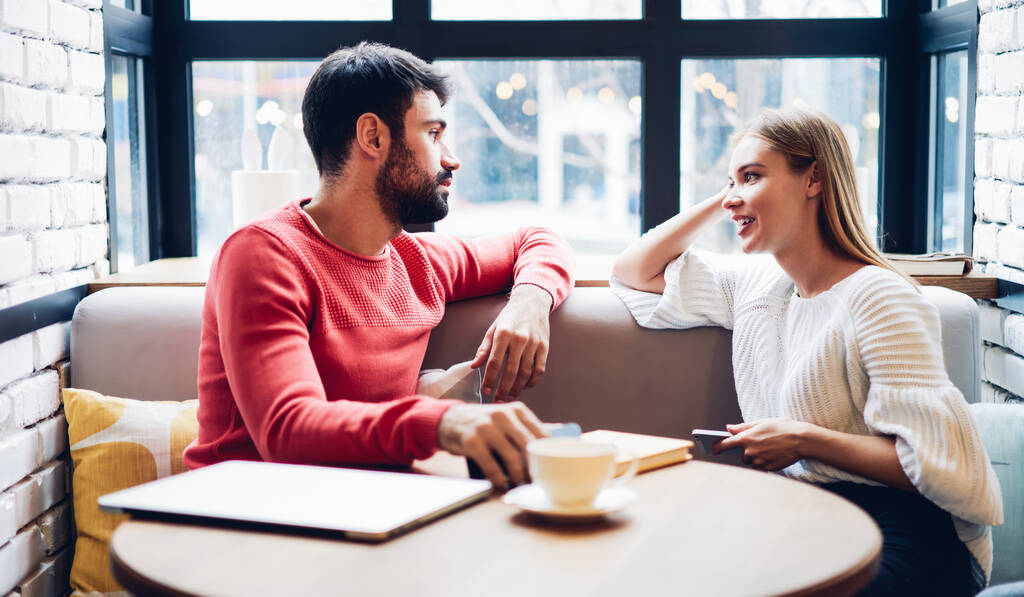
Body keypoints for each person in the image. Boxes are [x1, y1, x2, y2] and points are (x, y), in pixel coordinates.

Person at [611, 106, 1002, 595]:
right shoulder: (757, 285)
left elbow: (932, 464)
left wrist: (805, 439)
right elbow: (634, 269)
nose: (733, 200)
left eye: (752, 176)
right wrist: (735, 194)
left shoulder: (880, 297)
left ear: (813, 179)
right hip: (805, 518)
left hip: (904, 533)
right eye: (731, 183)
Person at [183, 42, 575, 489]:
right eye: (433, 134)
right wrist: (443, 423)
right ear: (372, 137)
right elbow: (287, 432)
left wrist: (529, 302)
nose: (452, 158)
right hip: (238, 516)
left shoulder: (416, 260)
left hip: (366, 509)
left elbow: (539, 239)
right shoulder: (263, 255)